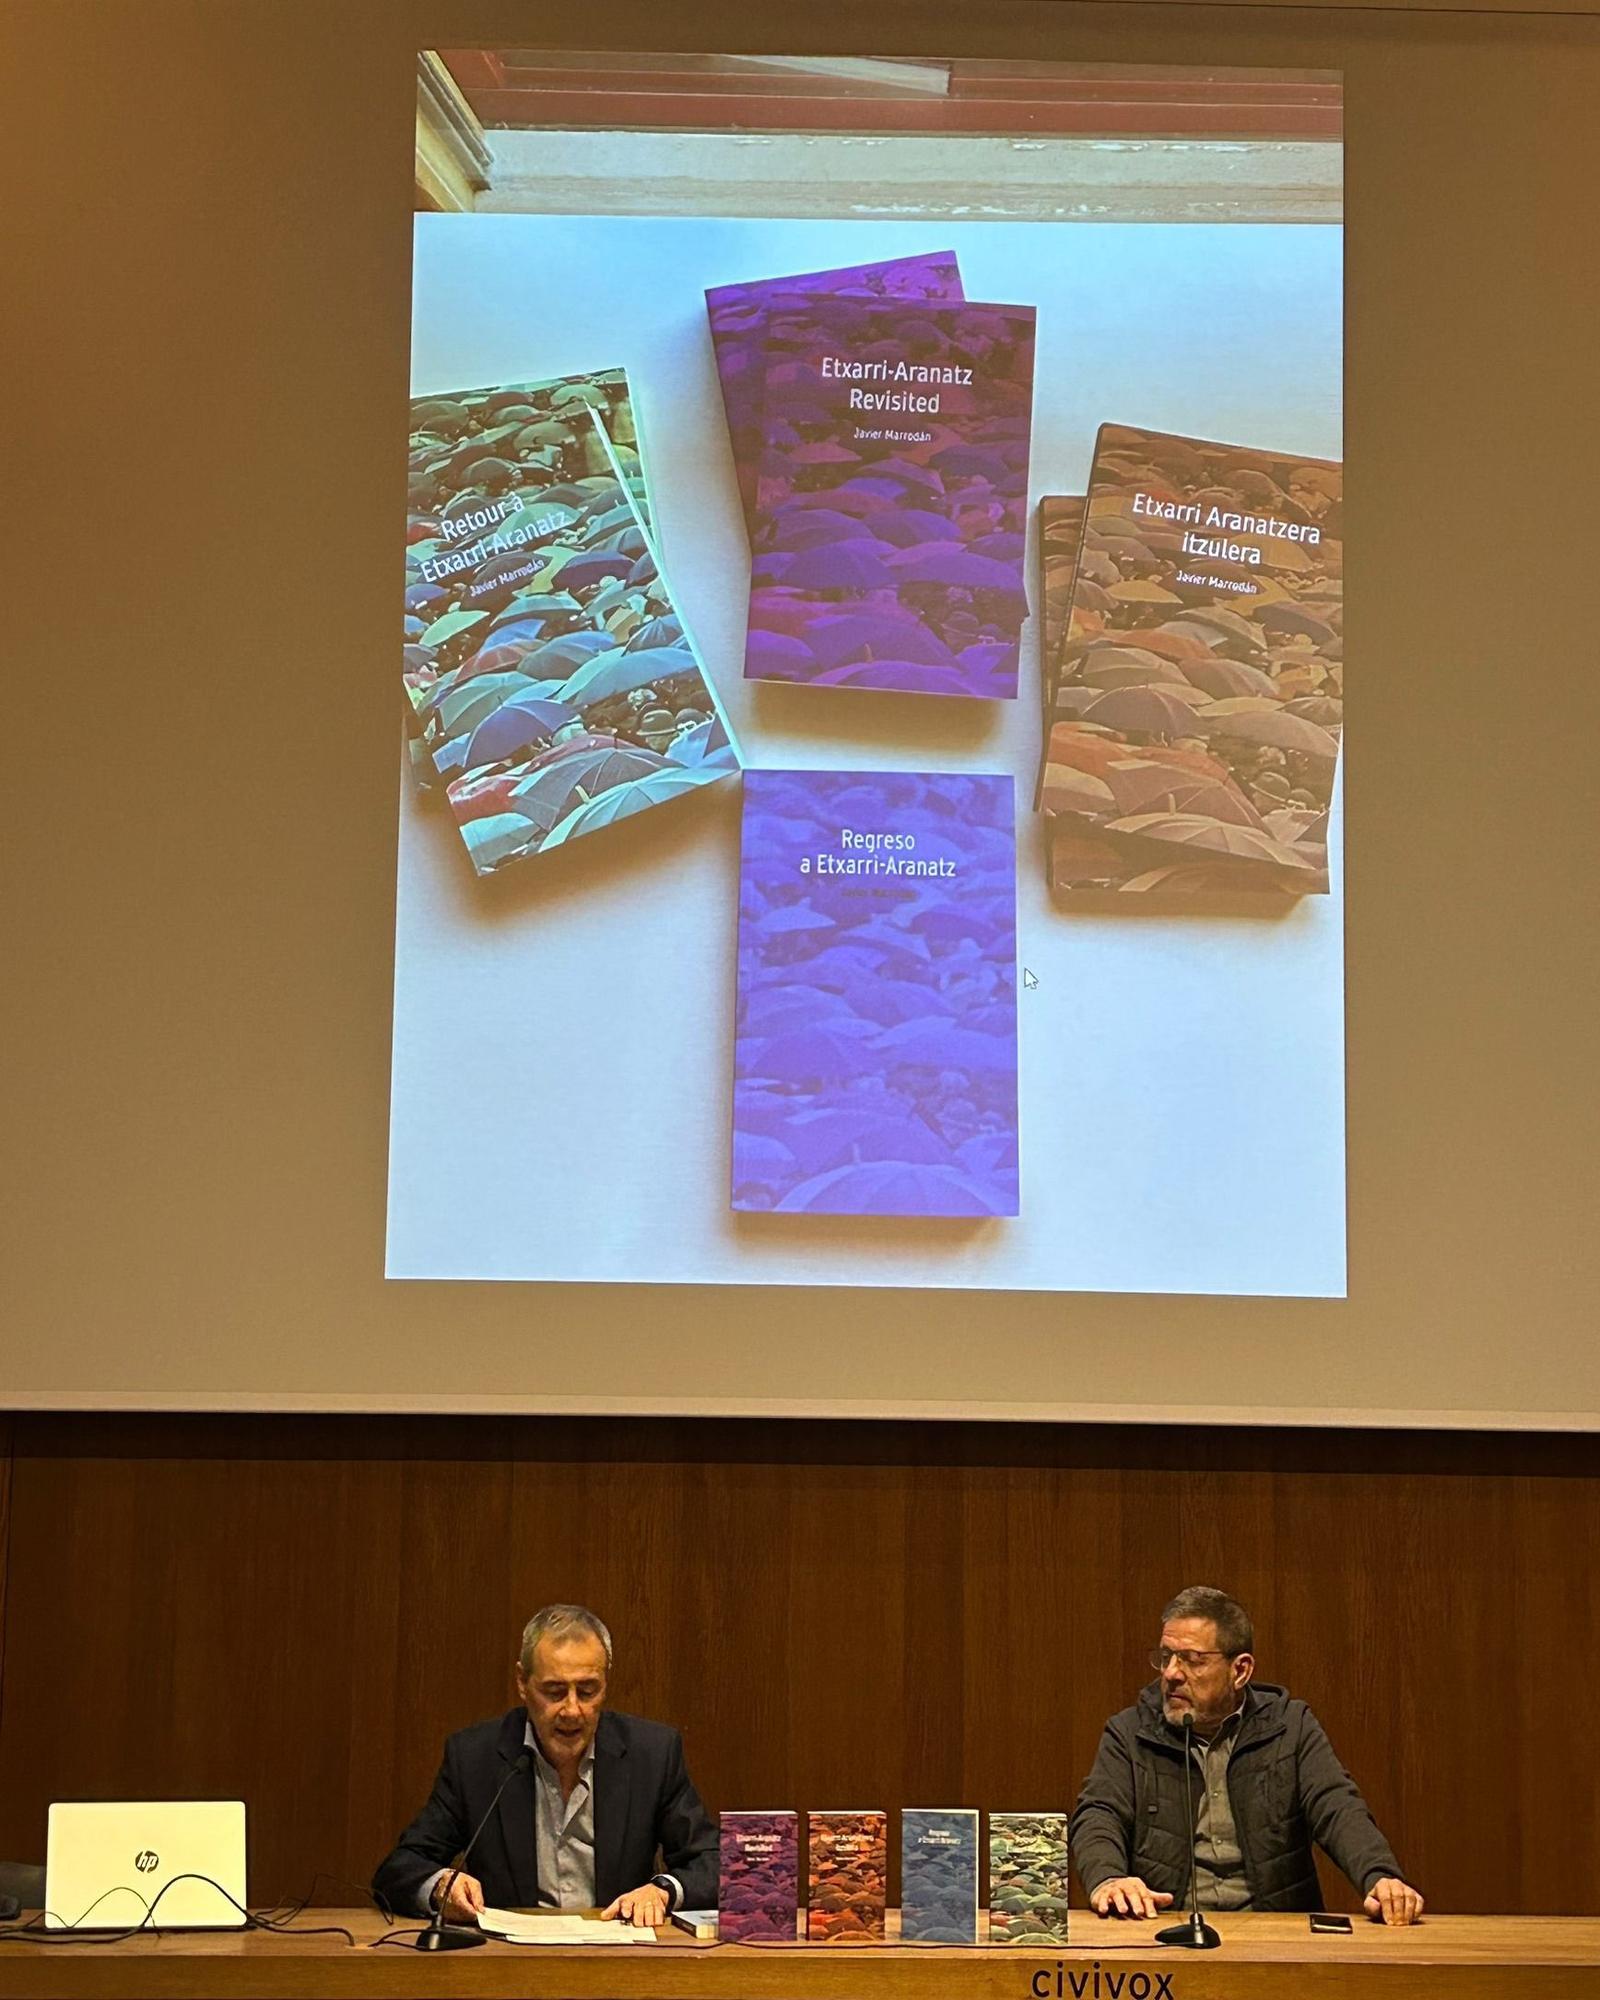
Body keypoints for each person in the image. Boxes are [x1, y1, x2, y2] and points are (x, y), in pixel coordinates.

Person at [1071, 1586, 1424, 1926]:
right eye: (1166, 1657)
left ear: (1240, 1670)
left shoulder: (1290, 1726)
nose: (1171, 1673)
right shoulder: (1131, 1731)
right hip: (1164, 1930)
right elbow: (1099, 1813)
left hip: (1275, 1934)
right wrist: (1108, 1878)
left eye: (1192, 1660)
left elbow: (1337, 1807)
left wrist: (1379, 1876)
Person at [372, 1603, 717, 1927]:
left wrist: (663, 1890)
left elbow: (714, 1863)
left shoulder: (651, 1755)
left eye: (588, 1691)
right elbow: (400, 1868)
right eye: (554, 1691)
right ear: (522, 1683)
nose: (572, 1710)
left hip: (619, 1953)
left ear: (606, 1683)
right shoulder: (475, 1758)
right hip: (510, 1959)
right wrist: (440, 1886)